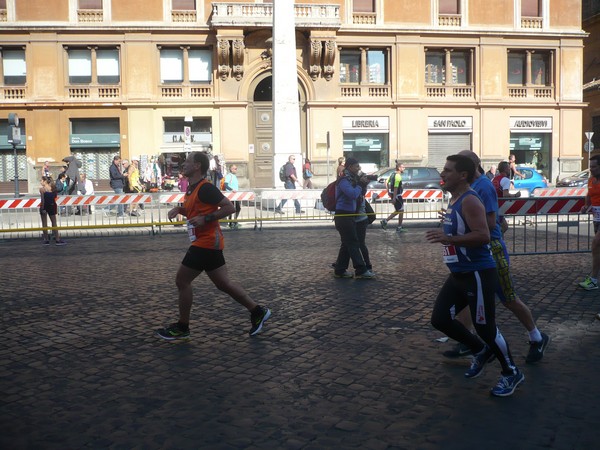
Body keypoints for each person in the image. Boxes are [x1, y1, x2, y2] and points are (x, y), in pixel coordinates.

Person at [426, 154, 524, 397]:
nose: (442, 174)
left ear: (463, 175)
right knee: (439, 319)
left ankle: (511, 372)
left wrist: (449, 238)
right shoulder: (455, 198)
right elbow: (465, 227)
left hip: (478, 273)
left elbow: (482, 235)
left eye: (448, 170)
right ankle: (481, 350)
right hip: (459, 273)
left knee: (485, 327)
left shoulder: (470, 200)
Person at [444, 150, 549, 364]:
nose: (446, 174)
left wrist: (462, 228)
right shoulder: (467, 187)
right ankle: (468, 341)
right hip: (471, 255)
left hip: (490, 252)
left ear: (469, 168)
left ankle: (536, 337)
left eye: (451, 170)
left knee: (508, 298)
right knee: (466, 298)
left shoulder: (483, 186)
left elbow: (490, 224)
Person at [156, 151, 271, 340]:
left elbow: (229, 207)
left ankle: (183, 327)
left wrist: (206, 218)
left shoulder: (205, 188)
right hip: (208, 242)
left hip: (207, 242)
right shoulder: (192, 189)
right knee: (223, 284)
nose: (183, 164)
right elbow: (196, 211)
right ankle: (257, 311)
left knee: (182, 281)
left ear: (197, 166)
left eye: (188, 161)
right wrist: (181, 210)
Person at [333, 157, 375, 279]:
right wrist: (360, 184)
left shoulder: (352, 180)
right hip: (343, 215)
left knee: (347, 244)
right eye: (357, 166)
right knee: (352, 242)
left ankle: (340, 270)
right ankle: (361, 270)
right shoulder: (344, 181)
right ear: (350, 167)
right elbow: (352, 195)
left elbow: (359, 195)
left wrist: (363, 185)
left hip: (349, 215)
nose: (359, 169)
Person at [578, 154, 600, 291]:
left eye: (594, 166)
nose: (591, 169)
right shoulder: (591, 181)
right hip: (597, 219)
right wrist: (586, 206)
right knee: (598, 248)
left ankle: (593, 280)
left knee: (595, 244)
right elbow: (589, 194)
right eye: (590, 166)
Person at [492, 161, 521, 233]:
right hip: (499, 207)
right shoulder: (506, 180)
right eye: (508, 168)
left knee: (503, 226)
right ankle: (495, 240)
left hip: (492, 205)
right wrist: (515, 195)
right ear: (505, 169)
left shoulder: (494, 179)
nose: (509, 170)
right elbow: (505, 194)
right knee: (503, 227)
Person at [39, 176, 66, 246]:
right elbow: (54, 197)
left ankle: (46, 239)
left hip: (45, 206)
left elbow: (43, 200)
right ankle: (57, 239)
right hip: (52, 205)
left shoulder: (42, 189)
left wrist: (42, 208)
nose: (40, 182)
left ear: (45, 181)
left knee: (44, 223)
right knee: (54, 222)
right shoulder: (53, 189)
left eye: (41, 181)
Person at [380, 162, 406, 233]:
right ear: (399, 168)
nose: (404, 168)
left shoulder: (392, 174)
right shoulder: (398, 176)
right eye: (403, 167)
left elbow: (386, 182)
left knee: (398, 210)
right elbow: (395, 187)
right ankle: (399, 227)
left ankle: (385, 221)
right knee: (401, 210)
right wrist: (394, 198)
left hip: (393, 195)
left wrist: (388, 191)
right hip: (397, 195)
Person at [223, 164, 242, 229]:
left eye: (236, 168)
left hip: (235, 196)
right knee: (232, 209)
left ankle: (234, 221)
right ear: (231, 169)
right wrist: (231, 190)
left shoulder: (234, 176)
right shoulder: (229, 176)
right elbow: (226, 185)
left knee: (238, 208)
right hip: (231, 195)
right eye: (235, 168)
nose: (236, 170)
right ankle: (231, 222)